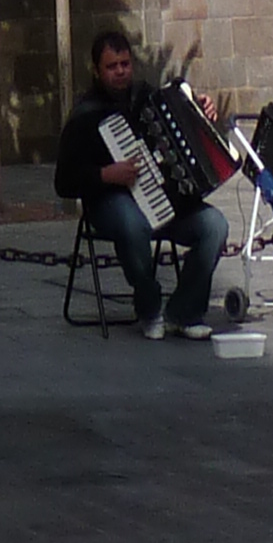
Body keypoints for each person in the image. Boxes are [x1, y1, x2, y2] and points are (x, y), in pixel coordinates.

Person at [54, 27, 229, 344]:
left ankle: (184, 312)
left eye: (124, 64)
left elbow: (185, 125)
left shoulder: (148, 98)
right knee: (132, 223)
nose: (120, 72)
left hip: (165, 200)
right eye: (111, 66)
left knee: (214, 225)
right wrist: (106, 175)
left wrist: (202, 111)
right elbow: (64, 181)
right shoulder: (84, 115)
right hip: (110, 202)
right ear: (97, 71)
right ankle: (149, 308)